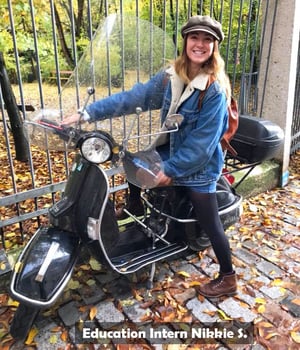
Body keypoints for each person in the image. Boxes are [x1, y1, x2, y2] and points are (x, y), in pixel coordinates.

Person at [62, 15, 237, 298]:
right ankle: (137, 206)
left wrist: (170, 169)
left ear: (214, 47)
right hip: (174, 149)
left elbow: (201, 146)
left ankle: (228, 276)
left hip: (200, 165)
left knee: (209, 220)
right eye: (195, 37)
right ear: (186, 41)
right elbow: (135, 97)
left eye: (207, 40)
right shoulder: (172, 76)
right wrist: (87, 113)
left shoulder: (214, 90)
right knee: (132, 159)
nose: (200, 44)